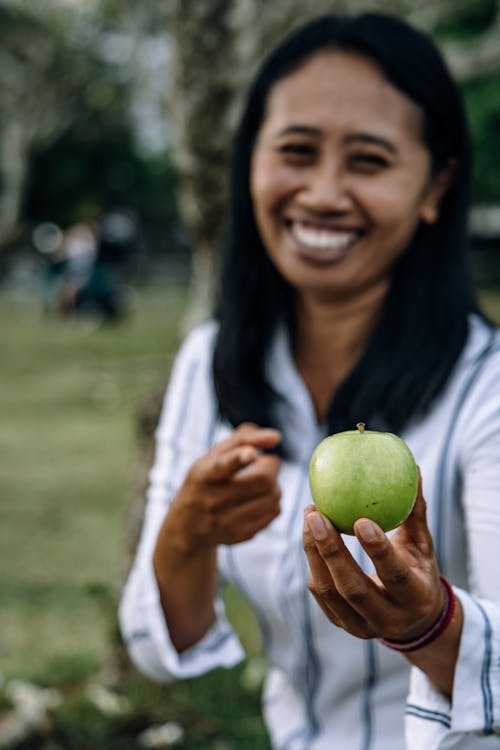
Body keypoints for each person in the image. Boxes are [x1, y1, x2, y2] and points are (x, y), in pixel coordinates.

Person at [119, 11, 500, 749]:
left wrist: (431, 626)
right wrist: (189, 534)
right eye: (296, 150)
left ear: (436, 187)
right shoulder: (212, 359)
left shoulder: (487, 387)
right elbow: (163, 640)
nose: (323, 193)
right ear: (249, 165)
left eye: (368, 160)